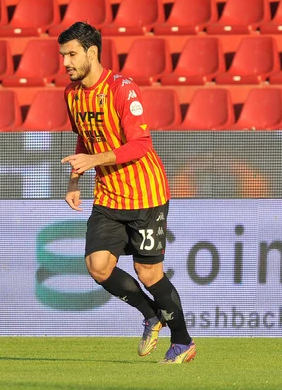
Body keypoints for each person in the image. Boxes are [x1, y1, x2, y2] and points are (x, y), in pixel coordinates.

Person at [58, 22, 195, 364]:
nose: (65, 63)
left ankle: (182, 341)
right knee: (98, 266)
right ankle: (151, 315)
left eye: (72, 54)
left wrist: (93, 160)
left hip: (146, 194)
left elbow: (140, 144)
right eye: (63, 56)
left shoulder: (122, 89)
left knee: (149, 273)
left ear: (92, 52)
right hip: (108, 195)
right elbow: (85, 137)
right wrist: (76, 178)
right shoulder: (71, 94)